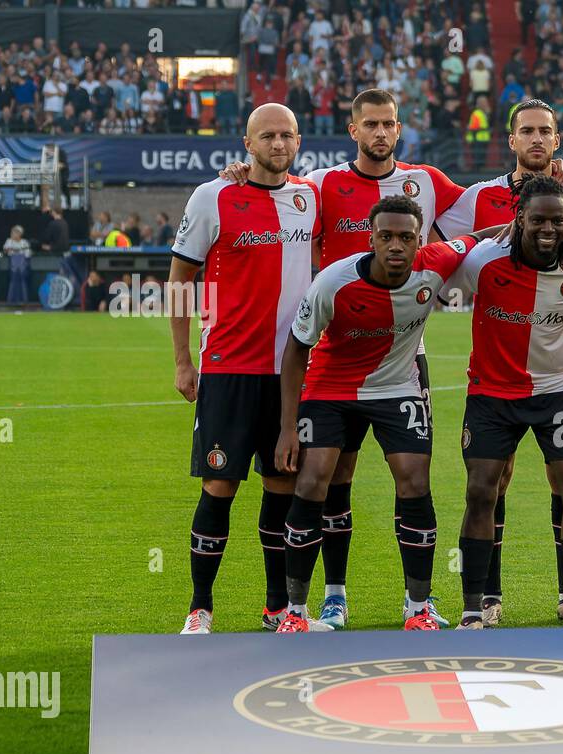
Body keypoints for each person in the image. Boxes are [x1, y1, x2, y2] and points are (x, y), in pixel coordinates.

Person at [220, 87, 467, 630]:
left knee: (413, 477)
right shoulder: (324, 185)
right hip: (334, 352)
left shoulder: (426, 182)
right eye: (370, 124)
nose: (381, 133)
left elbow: (487, 214)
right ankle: (331, 595)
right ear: (353, 130)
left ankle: (418, 604)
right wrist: (243, 174)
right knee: (330, 477)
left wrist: (546, 185)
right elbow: (277, 194)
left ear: (399, 129)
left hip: (404, 356)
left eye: (389, 124)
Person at [273, 196, 497, 632]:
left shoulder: (436, 263)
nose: (396, 246)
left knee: (414, 480)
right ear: (371, 239)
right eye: (387, 237)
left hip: (397, 388)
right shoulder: (332, 283)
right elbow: (297, 348)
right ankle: (295, 613)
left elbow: (476, 239)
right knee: (315, 477)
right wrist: (287, 428)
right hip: (332, 386)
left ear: (419, 242)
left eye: (406, 238)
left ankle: (418, 608)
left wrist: (510, 229)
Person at [434, 99, 563, 626]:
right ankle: (483, 599)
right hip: (495, 380)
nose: (536, 139)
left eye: (545, 132)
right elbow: (441, 253)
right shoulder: (477, 199)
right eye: (526, 131)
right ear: (511, 140)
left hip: (561, 378)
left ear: (557, 140)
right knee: (489, 483)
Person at [168, 103, 321, 635]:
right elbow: (180, 278)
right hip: (229, 370)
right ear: (247, 143)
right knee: (219, 486)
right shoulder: (213, 196)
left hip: (290, 374)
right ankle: (200, 607)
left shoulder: (310, 197)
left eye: (286, 135)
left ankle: (277, 607)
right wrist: (184, 359)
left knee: (283, 486)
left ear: (298, 141)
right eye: (267, 136)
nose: (278, 144)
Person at [3, 225, 32, 305]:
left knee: (23, 282)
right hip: (13, 266)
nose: (13, 234)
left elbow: (28, 254)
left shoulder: (24, 242)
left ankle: (24, 301)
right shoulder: (9, 241)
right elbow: (5, 250)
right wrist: (12, 250)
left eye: (15, 233)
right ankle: (11, 301)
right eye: (12, 233)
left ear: (19, 234)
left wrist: (18, 251)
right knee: (13, 282)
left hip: (23, 266)